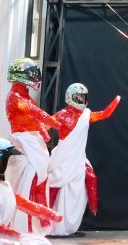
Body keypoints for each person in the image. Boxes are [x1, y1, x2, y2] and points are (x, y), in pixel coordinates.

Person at [47, 83, 121, 236]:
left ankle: (92, 208)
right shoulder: (61, 115)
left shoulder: (85, 116)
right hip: (62, 157)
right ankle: (47, 219)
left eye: (83, 97)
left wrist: (116, 101)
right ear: (70, 97)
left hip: (78, 158)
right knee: (54, 184)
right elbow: (45, 125)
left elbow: (105, 114)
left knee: (91, 177)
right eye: (78, 97)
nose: (81, 100)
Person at [4, 58, 62, 234]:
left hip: (33, 143)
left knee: (39, 181)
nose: (35, 78)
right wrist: (55, 123)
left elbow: (34, 118)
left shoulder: (24, 95)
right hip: (25, 144)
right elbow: (35, 113)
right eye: (32, 74)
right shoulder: (15, 97)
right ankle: (24, 227)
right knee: (30, 182)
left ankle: (36, 226)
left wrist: (44, 132)